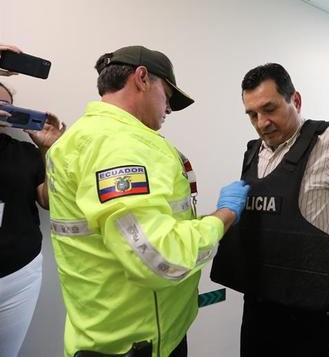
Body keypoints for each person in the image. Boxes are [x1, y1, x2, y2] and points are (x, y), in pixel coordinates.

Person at [46, 45, 249, 357]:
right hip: (138, 343)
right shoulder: (118, 145)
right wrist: (222, 217)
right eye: (167, 96)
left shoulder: (78, 138)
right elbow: (158, 259)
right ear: (141, 78)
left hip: (109, 329)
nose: (168, 108)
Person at [210, 63, 329, 357]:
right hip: (258, 302)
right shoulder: (253, 152)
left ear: (295, 100)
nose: (262, 123)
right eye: (252, 115)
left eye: (269, 109)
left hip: (308, 308)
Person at [0, 43, 65, 357]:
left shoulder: (24, 152)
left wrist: (49, 151)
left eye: (7, 106)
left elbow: (48, 201)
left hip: (18, 274)